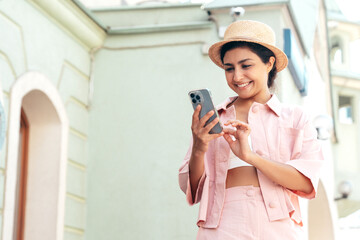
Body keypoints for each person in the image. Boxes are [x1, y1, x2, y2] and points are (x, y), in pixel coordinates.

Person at [178, 20, 324, 239]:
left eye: (246, 66)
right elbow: (193, 189)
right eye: (229, 68)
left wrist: (249, 156)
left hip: (278, 227)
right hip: (222, 225)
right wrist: (199, 146)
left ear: (269, 63)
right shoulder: (214, 118)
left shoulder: (295, 118)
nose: (237, 77)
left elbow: (306, 182)